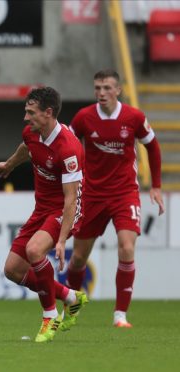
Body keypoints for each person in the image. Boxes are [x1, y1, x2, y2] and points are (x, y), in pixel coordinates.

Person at [65, 69, 165, 328]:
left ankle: (120, 315)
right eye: (97, 88)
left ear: (118, 90)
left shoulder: (133, 117)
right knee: (77, 258)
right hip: (92, 195)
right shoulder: (84, 118)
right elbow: (68, 146)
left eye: (107, 88)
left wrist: (155, 185)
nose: (101, 93)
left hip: (124, 193)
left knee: (127, 247)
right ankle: (72, 307)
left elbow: (152, 146)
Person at [0, 87, 88, 343]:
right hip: (42, 208)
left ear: (48, 113)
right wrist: (9, 164)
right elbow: (26, 148)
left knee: (36, 251)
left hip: (66, 209)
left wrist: (60, 240)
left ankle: (50, 317)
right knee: (13, 270)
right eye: (26, 111)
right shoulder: (32, 133)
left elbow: (71, 198)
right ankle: (70, 297)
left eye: (31, 112)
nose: (26, 118)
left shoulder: (68, 149)